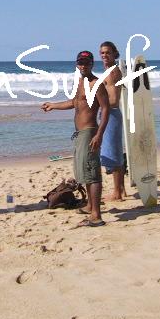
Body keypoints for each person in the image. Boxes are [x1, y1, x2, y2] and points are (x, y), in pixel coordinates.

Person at [41, 51, 110, 227]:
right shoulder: (80, 82)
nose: (83, 66)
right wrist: (53, 105)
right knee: (84, 172)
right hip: (79, 133)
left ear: (92, 64)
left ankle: (96, 215)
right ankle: (90, 206)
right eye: (81, 63)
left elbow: (106, 109)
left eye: (86, 62)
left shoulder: (96, 84)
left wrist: (99, 134)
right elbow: (74, 102)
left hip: (90, 132)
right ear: (77, 64)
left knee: (92, 173)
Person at [98, 41, 126, 201]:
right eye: (102, 53)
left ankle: (117, 193)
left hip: (111, 115)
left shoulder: (113, 72)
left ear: (114, 54)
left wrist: (98, 104)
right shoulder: (108, 71)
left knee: (112, 153)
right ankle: (120, 189)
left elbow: (114, 100)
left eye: (107, 52)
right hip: (109, 114)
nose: (104, 55)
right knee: (113, 152)